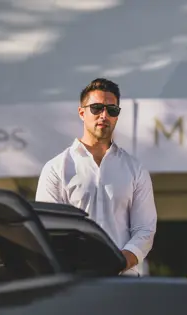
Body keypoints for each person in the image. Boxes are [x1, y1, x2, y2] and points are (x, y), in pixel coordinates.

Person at [35, 78, 157, 276]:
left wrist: (118, 263)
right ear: (81, 113)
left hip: (124, 280)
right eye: (96, 108)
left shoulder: (135, 169)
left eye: (112, 110)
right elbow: (48, 229)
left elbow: (145, 230)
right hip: (75, 280)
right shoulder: (56, 169)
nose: (104, 115)